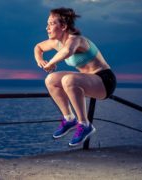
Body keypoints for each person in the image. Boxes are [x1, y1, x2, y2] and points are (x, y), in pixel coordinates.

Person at [34, 7, 116, 146]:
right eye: (47, 23)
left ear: (64, 26)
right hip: (87, 79)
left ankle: (84, 124)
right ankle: (69, 118)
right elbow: (38, 47)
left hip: (104, 81)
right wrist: (40, 61)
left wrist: (52, 62)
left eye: (51, 23)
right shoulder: (55, 42)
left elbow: (67, 51)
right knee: (51, 79)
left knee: (68, 80)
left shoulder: (76, 40)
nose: (47, 27)